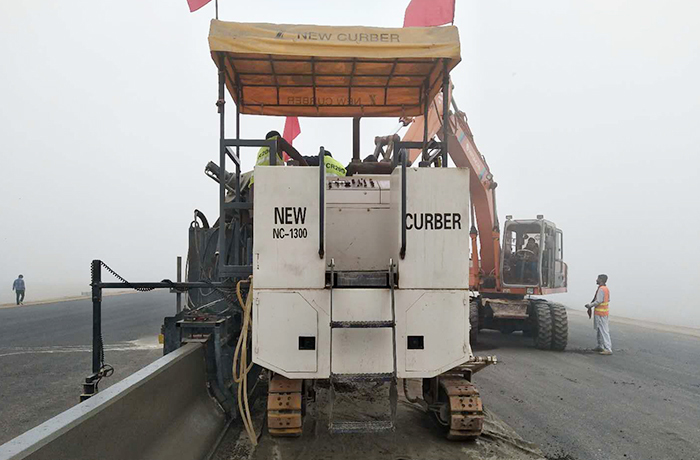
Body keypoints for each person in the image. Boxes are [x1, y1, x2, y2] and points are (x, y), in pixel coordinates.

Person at [586, 274, 612, 355]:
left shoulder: (601, 289)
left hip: (601, 313)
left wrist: (589, 305)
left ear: (601, 280)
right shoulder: (606, 289)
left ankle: (608, 348)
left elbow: (599, 301)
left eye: (597, 278)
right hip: (603, 312)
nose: (596, 280)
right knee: (599, 330)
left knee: (604, 330)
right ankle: (600, 345)